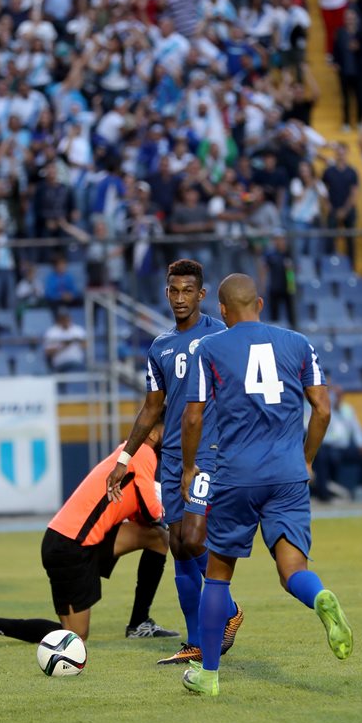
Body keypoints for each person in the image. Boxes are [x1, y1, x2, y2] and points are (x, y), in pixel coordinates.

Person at [178, 274, 353, 696]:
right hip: (288, 473)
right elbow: (323, 411)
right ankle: (319, 597)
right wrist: (306, 459)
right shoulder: (298, 342)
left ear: (221, 310)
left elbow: (194, 416)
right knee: (293, 569)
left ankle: (210, 675)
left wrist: (187, 468)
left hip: (237, 474)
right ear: (259, 302)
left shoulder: (210, 347)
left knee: (218, 576)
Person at [105, 259, 243, 665]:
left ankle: (230, 610)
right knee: (179, 547)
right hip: (171, 461)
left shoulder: (221, 335)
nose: (180, 298)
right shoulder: (159, 346)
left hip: (209, 455)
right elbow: (151, 409)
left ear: (202, 296)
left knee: (195, 539)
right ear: (166, 293)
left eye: (188, 291)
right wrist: (126, 457)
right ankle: (195, 639)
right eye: (174, 291)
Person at [0, 426, 177, 645]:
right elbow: (153, 511)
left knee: (157, 537)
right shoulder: (144, 452)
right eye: (171, 428)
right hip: (69, 547)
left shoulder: (130, 451)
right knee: (74, 636)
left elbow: (143, 515)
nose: (176, 436)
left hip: (77, 541)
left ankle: (139, 624)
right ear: (154, 432)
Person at [311, 385, 362, 502]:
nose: (337, 398)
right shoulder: (324, 409)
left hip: (343, 449)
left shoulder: (348, 410)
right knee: (321, 456)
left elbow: (356, 429)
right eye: (335, 395)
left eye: (339, 395)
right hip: (327, 447)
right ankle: (323, 495)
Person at [42, 307, 87, 373]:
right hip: (60, 364)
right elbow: (47, 352)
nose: (65, 320)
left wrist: (77, 341)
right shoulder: (52, 332)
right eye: (62, 318)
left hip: (77, 362)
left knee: (81, 369)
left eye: (66, 317)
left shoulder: (78, 330)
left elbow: (86, 345)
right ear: (58, 319)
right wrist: (63, 345)